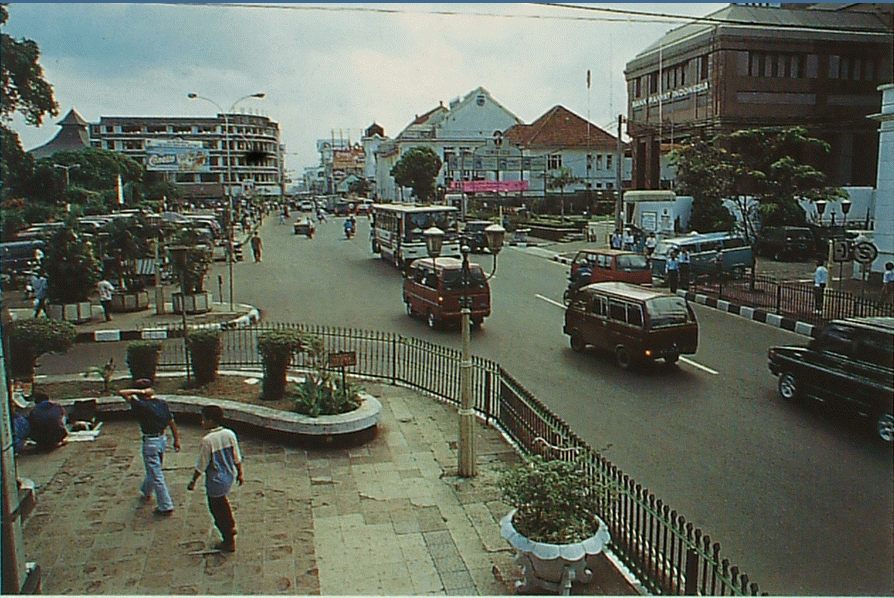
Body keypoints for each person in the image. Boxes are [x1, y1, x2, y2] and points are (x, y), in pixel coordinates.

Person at [187, 405, 244, 553]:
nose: (202, 421)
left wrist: (193, 481)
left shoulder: (207, 440)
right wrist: (240, 473)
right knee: (222, 503)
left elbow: (202, 464)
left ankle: (228, 538)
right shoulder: (229, 434)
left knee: (217, 510)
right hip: (228, 475)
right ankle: (230, 526)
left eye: (204, 418)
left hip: (215, 480)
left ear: (210, 421)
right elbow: (236, 456)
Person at [119, 379, 181, 516]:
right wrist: (176, 440)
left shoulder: (140, 405)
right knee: (154, 467)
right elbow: (171, 422)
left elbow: (122, 393)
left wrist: (139, 392)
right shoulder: (161, 403)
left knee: (156, 473)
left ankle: (166, 505)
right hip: (162, 439)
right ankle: (146, 490)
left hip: (150, 441)